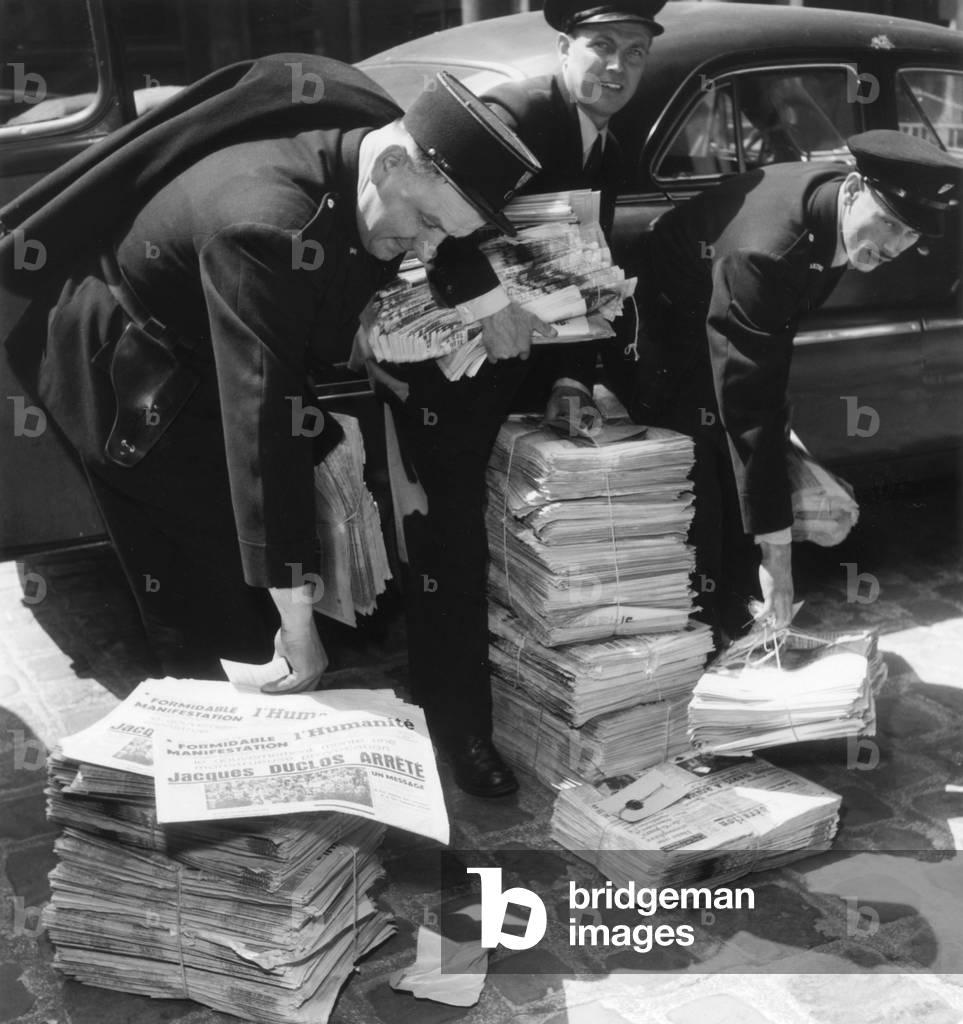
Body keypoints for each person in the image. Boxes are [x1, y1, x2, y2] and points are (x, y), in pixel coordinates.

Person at [0, 56, 540, 692]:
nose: (428, 251)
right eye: (424, 225)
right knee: (209, 602)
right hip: (131, 364)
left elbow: (443, 217)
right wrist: (297, 620)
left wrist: (485, 299)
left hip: (222, 337)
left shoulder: (381, 132)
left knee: (258, 559)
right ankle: (208, 715)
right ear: (392, 162)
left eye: (444, 236)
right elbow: (263, 424)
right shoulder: (264, 226)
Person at [371, 0, 666, 798]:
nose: (617, 67)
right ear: (564, 46)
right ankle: (459, 733)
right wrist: (489, 309)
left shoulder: (608, 137)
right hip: (448, 362)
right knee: (449, 546)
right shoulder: (514, 115)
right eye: (600, 46)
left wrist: (572, 375)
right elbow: (438, 224)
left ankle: (519, 697)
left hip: (524, 358)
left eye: (634, 52)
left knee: (521, 534)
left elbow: (581, 256)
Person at [603, 130, 962, 643]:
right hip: (666, 335)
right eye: (888, 223)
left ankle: (738, 631)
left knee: (745, 487)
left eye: (910, 235)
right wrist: (778, 555)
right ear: (854, 189)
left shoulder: (836, 210)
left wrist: (779, 435)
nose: (893, 246)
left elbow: (771, 346)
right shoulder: (769, 252)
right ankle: (709, 649)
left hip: (724, 321)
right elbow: (747, 401)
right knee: (705, 501)